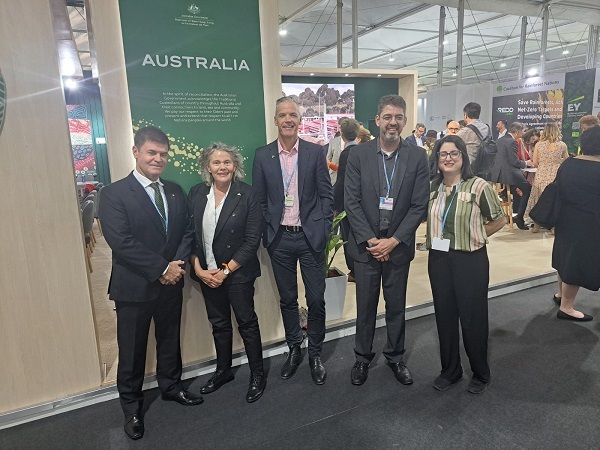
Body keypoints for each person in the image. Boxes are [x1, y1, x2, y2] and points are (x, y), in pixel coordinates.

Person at [99, 126, 203, 441]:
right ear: (136, 152)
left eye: (162, 154)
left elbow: (186, 231)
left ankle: (171, 387)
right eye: (151, 153)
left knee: (170, 339)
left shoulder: (173, 190)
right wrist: (160, 268)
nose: (158, 159)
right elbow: (120, 241)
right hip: (134, 287)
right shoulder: (114, 193)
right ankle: (131, 407)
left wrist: (177, 266)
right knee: (132, 350)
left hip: (172, 283)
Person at [344, 95, 429, 386]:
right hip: (366, 248)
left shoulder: (417, 156)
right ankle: (362, 358)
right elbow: (351, 202)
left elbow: (419, 206)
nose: (393, 122)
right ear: (378, 120)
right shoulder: (357, 154)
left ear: (405, 121)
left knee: (396, 306)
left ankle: (395, 357)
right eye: (387, 117)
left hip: (398, 247)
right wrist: (371, 240)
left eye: (399, 117)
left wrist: (393, 241)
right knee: (365, 306)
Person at [252, 96, 333, 385]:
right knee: (288, 299)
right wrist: (267, 234)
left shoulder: (314, 152)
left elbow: (326, 195)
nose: (288, 119)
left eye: (293, 115)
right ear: (275, 120)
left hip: (310, 237)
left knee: (316, 299)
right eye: (283, 115)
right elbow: (259, 200)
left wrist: (323, 227)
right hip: (280, 240)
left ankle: (315, 354)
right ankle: (294, 348)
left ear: (299, 121)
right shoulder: (262, 156)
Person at [426, 135, 505, 394]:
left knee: (473, 318)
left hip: (470, 260)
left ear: (463, 156)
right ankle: (450, 371)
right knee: (445, 317)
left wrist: (477, 236)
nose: (448, 158)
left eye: (454, 153)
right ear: (436, 159)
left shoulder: (478, 186)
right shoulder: (432, 188)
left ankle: (480, 373)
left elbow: (499, 219)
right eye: (443, 154)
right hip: (439, 260)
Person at [188, 142, 266, 403]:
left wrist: (225, 271)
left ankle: (257, 374)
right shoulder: (197, 193)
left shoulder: (249, 194)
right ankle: (223, 371)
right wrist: (199, 269)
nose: (222, 167)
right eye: (216, 162)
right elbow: (191, 236)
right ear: (207, 167)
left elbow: (252, 240)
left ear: (235, 166)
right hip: (207, 273)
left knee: (247, 323)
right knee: (219, 325)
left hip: (237, 274)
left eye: (227, 162)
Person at [551, 125, 600, 321]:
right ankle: (567, 307)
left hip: (565, 219)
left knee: (565, 258)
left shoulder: (568, 164)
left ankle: (561, 295)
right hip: (588, 222)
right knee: (577, 263)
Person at [490, 121, 534, 230]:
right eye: (522, 131)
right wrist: (526, 163)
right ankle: (519, 217)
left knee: (517, 188)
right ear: (518, 132)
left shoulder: (500, 140)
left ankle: (505, 195)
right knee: (528, 188)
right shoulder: (512, 142)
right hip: (508, 173)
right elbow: (514, 162)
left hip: (498, 174)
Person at [525, 123, 568, 232]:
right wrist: (558, 161)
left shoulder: (539, 145)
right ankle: (553, 227)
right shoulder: (562, 145)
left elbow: (535, 163)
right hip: (555, 174)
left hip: (541, 173)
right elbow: (566, 160)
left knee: (538, 198)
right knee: (553, 199)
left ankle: (536, 226)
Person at [334, 118, 361, 281]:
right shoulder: (363, 151)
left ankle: (353, 272)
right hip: (361, 203)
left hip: (346, 204)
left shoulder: (346, 154)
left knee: (347, 237)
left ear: (341, 134)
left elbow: (341, 182)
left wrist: (335, 205)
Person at [326, 116, 349, 185]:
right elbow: (328, 160)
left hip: (349, 181)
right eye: (340, 127)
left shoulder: (355, 142)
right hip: (334, 180)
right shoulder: (333, 142)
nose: (342, 130)